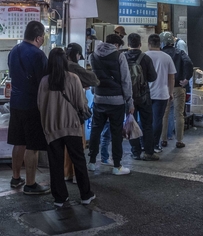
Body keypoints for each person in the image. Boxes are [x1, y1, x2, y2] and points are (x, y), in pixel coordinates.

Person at [37, 48, 95, 208]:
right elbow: (80, 104)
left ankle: (60, 198)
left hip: (51, 128)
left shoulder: (44, 81)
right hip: (71, 127)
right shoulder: (73, 78)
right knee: (79, 161)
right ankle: (85, 195)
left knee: (55, 163)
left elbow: (40, 105)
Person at [7, 21, 50, 195]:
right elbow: (44, 82)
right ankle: (31, 184)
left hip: (15, 103)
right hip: (32, 105)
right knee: (32, 145)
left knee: (19, 142)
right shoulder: (38, 55)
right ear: (38, 38)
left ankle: (16, 177)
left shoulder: (14, 51)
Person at [88, 34, 133, 175]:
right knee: (116, 133)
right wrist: (129, 100)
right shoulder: (119, 56)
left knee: (96, 130)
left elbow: (94, 77)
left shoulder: (93, 55)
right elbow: (126, 80)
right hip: (116, 101)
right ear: (116, 45)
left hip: (99, 98)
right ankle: (117, 166)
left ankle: (91, 162)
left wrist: (95, 91)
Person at [63, 43, 98, 182]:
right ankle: (77, 175)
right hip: (74, 110)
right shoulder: (73, 67)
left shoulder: (56, 66)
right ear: (77, 54)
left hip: (60, 111)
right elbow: (94, 79)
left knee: (65, 144)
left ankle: (67, 173)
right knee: (78, 143)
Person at [124, 33, 158, 161]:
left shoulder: (123, 57)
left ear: (128, 44)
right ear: (140, 44)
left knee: (131, 123)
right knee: (147, 124)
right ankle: (149, 152)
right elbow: (153, 77)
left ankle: (135, 152)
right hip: (144, 97)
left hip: (128, 98)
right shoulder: (145, 58)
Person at [157, 33, 185, 149]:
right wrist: (186, 78)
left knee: (164, 114)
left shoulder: (161, 55)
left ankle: (163, 139)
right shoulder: (179, 52)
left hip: (164, 87)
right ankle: (179, 140)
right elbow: (189, 63)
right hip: (178, 87)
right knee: (178, 114)